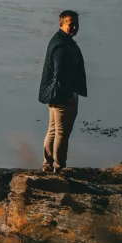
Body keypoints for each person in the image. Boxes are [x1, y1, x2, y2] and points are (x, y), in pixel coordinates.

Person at [38, 10, 87, 173]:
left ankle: (48, 165)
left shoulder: (60, 40)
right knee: (61, 133)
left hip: (54, 94)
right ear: (61, 24)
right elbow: (59, 73)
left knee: (53, 130)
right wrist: (68, 96)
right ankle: (58, 167)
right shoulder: (61, 45)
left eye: (76, 24)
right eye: (70, 24)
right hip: (62, 96)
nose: (74, 27)